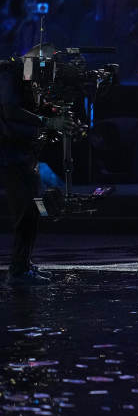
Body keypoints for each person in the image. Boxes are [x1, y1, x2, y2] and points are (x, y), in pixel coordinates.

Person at [0, 55, 69, 285]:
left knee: (31, 211)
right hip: (11, 158)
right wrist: (46, 123)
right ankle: (19, 270)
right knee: (26, 212)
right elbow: (11, 113)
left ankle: (23, 265)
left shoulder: (24, 80)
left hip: (21, 156)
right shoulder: (11, 74)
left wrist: (50, 120)